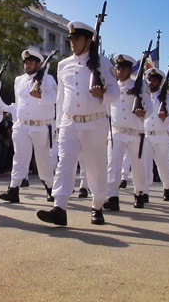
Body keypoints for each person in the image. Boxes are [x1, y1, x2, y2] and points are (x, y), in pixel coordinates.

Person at [36, 21, 120, 226]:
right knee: (65, 164)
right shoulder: (63, 65)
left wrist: (102, 95)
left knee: (95, 168)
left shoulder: (103, 62)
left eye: (77, 39)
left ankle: (97, 205)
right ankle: (60, 207)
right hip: (69, 123)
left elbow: (115, 92)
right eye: (71, 39)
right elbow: (61, 98)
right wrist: (58, 125)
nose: (72, 43)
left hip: (95, 123)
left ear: (89, 41)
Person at [0, 49, 56, 203]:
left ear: (38, 64)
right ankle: (13, 189)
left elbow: (55, 98)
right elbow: (19, 103)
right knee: (19, 158)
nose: (28, 64)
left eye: (31, 62)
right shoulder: (19, 80)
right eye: (26, 62)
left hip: (40, 126)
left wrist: (41, 96)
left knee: (43, 160)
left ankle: (50, 189)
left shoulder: (48, 79)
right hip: (22, 125)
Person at [104, 53, 152, 210]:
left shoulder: (140, 86)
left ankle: (139, 193)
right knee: (113, 165)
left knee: (138, 166)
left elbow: (149, 108)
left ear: (130, 69)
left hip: (135, 133)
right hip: (116, 131)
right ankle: (112, 197)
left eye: (123, 68)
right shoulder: (112, 86)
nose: (120, 71)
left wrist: (142, 112)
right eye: (118, 67)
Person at [142, 68, 169, 201]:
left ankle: (168, 186)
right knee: (145, 165)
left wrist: (164, 117)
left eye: (154, 80)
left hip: (161, 135)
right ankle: (144, 192)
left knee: (163, 165)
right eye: (149, 79)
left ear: (160, 82)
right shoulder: (144, 95)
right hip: (146, 135)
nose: (151, 82)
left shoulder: (167, 98)